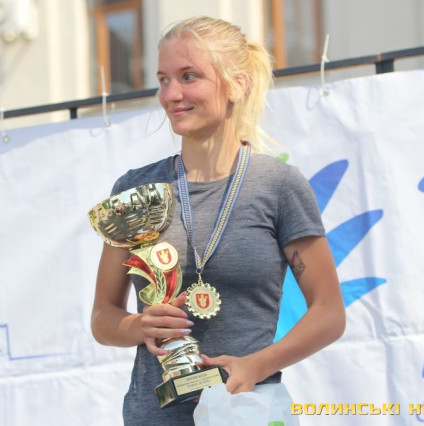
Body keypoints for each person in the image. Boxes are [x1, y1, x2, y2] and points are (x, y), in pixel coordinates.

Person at [91, 16, 346, 425]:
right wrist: (140, 325)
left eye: (188, 76)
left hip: (246, 412)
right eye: (163, 80)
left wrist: (258, 365)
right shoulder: (136, 191)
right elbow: (103, 317)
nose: (171, 94)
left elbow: (330, 313)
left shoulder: (278, 186)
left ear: (237, 84)